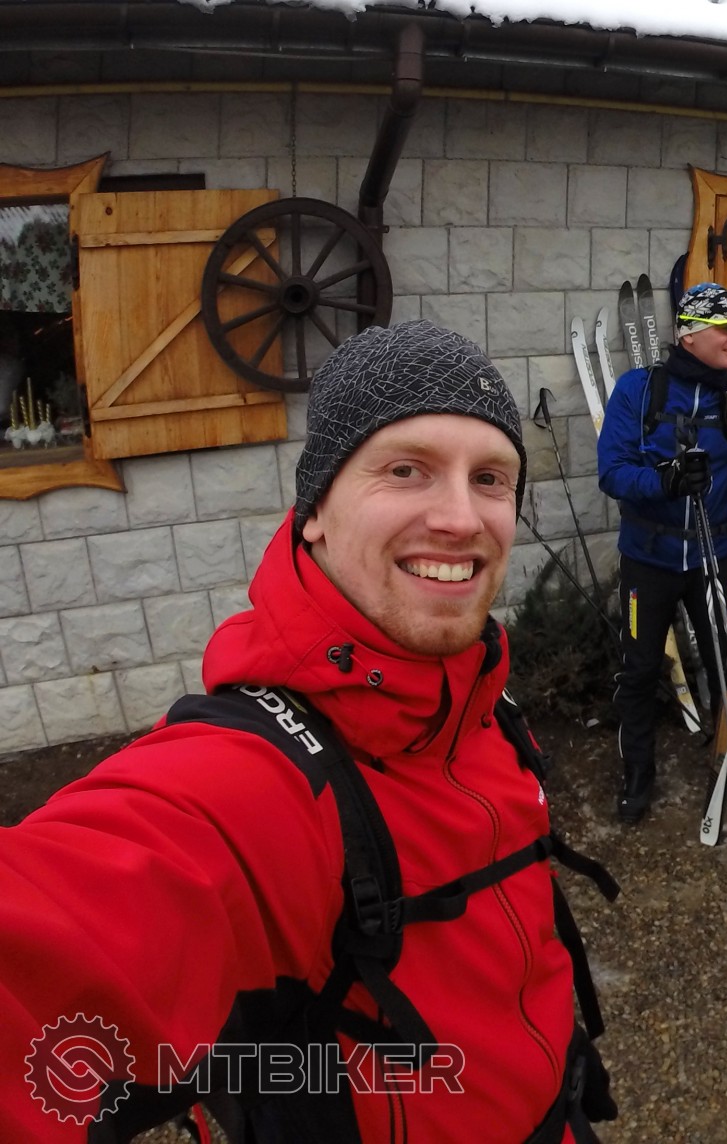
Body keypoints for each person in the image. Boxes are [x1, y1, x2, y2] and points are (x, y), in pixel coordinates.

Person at [0, 321, 618, 1139]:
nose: (461, 518)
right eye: (406, 470)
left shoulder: (478, 699)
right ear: (316, 509)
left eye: (491, 478)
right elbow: (56, 930)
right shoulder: (256, 777)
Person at [598, 282, 727, 823]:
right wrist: (665, 480)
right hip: (648, 557)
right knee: (640, 670)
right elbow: (612, 472)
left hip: (714, 555)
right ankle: (638, 773)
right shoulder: (638, 391)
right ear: (690, 334)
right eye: (725, 328)